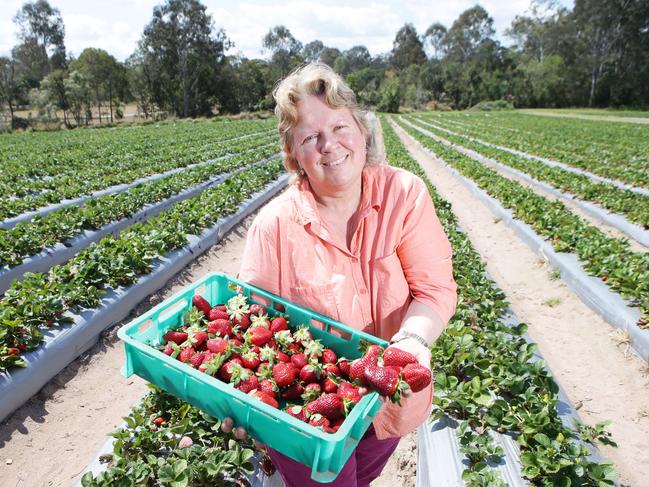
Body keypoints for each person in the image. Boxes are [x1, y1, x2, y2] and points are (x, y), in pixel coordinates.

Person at [228, 63, 457, 486]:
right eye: (310, 137)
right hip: (304, 417)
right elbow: (249, 335)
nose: (329, 145)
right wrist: (242, 405)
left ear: (362, 131)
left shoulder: (404, 195)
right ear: (293, 153)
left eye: (338, 126)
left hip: (387, 398)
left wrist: (414, 338)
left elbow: (434, 289)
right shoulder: (274, 226)